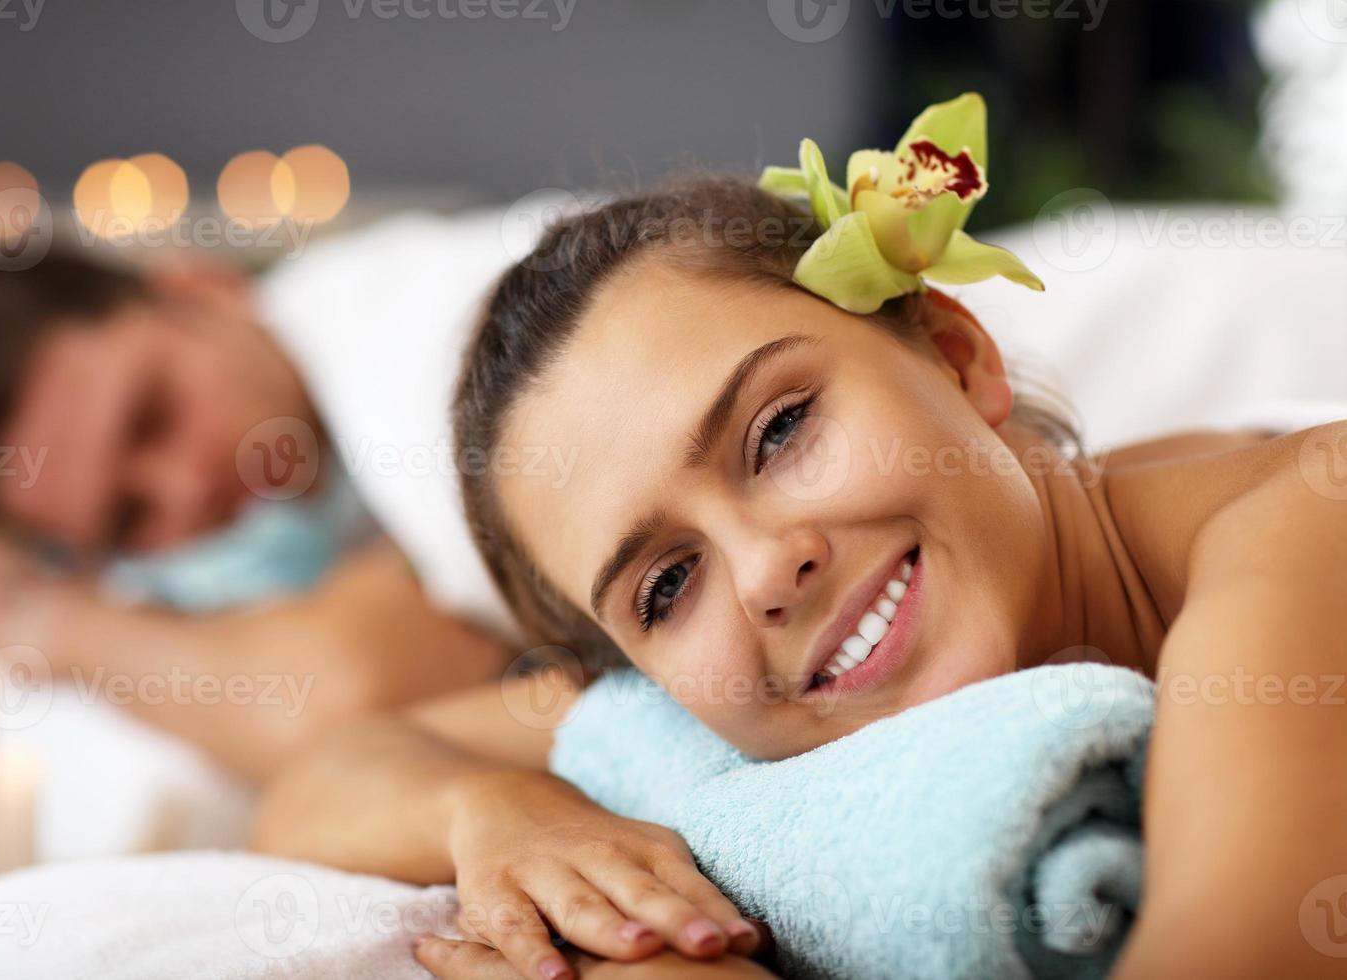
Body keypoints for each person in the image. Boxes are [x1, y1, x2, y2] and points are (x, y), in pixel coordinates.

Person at [253, 125, 1347, 978]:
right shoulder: (703, 707)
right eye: (668, 584)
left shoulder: (1301, 528)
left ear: (960, 355)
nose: (769, 570)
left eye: (780, 432)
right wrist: (497, 816)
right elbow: (329, 773)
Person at [0, 242, 513, 780]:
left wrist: (53, 624)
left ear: (201, 290)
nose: (183, 490)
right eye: (127, 517)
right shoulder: (213, 561)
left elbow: (331, 704)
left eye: (153, 415)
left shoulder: (434, 341)